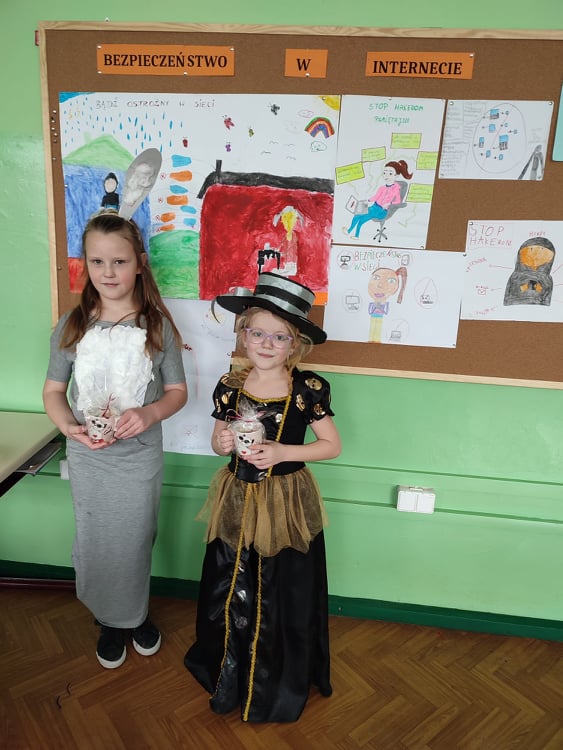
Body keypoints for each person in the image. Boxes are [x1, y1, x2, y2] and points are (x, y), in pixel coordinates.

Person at [184, 272, 341, 723]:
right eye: (258, 333)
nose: (267, 343)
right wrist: (223, 443)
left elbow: (331, 446)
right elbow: (218, 441)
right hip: (237, 494)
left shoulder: (306, 389)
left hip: (285, 500)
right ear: (243, 333)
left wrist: (282, 452)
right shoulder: (231, 385)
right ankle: (227, 666)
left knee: (279, 583)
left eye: (279, 336)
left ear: (294, 345)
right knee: (230, 577)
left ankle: (274, 673)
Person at [43, 211, 187, 669]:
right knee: (97, 538)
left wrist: (149, 413)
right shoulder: (71, 325)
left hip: (138, 458)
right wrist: (69, 427)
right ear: (85, 264)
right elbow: (53, 392)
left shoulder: (157, 327)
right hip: (90, 457)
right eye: (97, 261)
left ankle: (136, 615)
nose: (108, 272)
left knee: (135, 538)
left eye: (119, 261)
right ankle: (108, 619)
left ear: (140, 263)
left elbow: (177, 392)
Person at [346, 159, 413, 239]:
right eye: (385, 173)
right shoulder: (382, 188)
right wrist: (367, 200)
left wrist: (389, 203)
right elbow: (375, 197)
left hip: (381, 211)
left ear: (396, 175)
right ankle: (356, 236)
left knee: (358, 215)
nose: (386, 176)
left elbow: (398, 201)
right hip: (374, 207)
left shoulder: (396, 189)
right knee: (360, 219)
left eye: (390, 173)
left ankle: (349, 231)